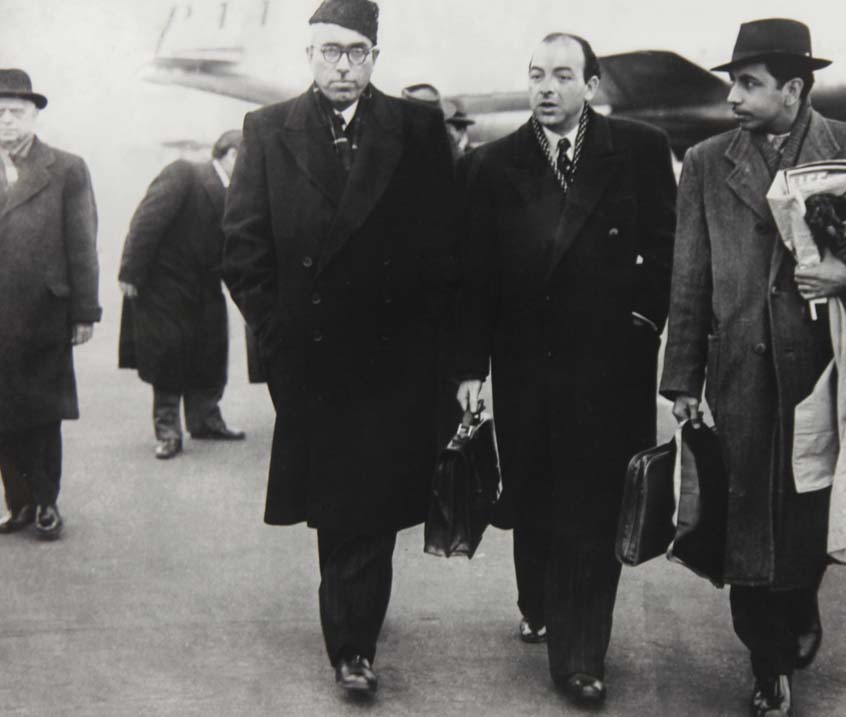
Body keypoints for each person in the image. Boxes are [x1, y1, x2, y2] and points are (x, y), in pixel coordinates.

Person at [659, 19, 846, 716]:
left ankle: (801, 605)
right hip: (738, 375)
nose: (734, 98)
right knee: (744, 521)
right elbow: (691, 275)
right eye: (732, 83)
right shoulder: (710, 161)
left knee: (806, 519)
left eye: (748, 84)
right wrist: (682, 378)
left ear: (794, 89)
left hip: (826, 374)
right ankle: (767, 660)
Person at [222, 0, 456, 697]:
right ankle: (351, 637)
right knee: (337, 509)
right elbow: (243, 250)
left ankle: (354, 645)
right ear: (309, 57)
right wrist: (280, 337)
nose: (342, 66)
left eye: (355, 52)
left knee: (371, 513)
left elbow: (445, 250)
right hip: (312, 361)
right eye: (329, 52)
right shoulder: (268, 129)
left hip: (393, 365)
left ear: (376, 59)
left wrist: (432, 354)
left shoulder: (416, 129)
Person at [455, 33, 676, 704]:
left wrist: (643, 324)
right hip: (525, 366)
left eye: (560, 75)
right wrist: (470, 367)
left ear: (591, 84)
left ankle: (580, 656)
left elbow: (666, 248)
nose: (545, 87)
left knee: (593, 510)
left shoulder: (636, 150)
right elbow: (473, 279)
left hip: (610, 366)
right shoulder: (490, 164)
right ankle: (540, 601)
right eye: (534, 75)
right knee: (535, 501)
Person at [0, 69, 100, 540]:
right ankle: (17, 504)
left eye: (15, 112)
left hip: (43, 313)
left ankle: (45, 503)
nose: (5, 121)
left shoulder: (66, 168)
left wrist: (85, 312)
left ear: (35, 115)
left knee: (42, 413)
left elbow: (82, 244)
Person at [118, 130, 246, 460]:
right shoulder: (184, 173)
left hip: (205, 284)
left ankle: (205, 420)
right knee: (168, 355)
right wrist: (130, 273)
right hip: (164, 284)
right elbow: (146, 221)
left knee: (211, 349)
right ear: (231, 154)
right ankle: (168, 431)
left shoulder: (239, 192)